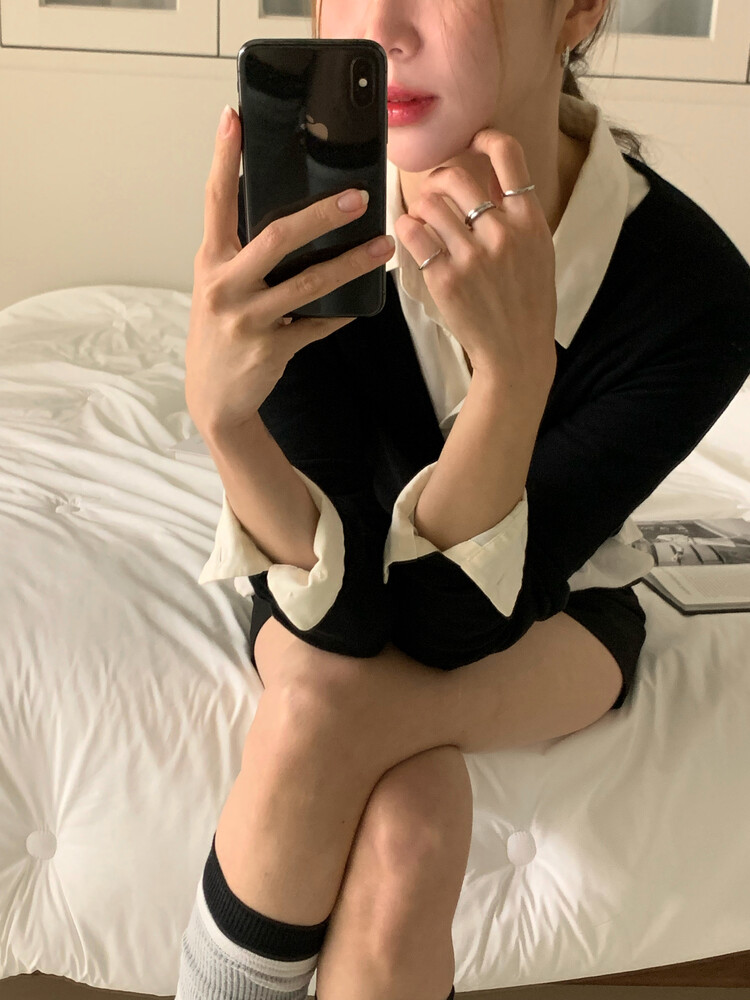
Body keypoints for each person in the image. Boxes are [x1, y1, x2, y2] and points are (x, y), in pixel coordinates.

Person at [177, 2, 750, 999]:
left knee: (321, 717)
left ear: (578, 9)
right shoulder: (304, 222)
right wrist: (224, 422)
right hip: (326, 574)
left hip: (556, 607)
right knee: (408, 813)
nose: (383, 27)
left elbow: (449, 626)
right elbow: (339, 612)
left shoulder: (693, 292)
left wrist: (513, 380)